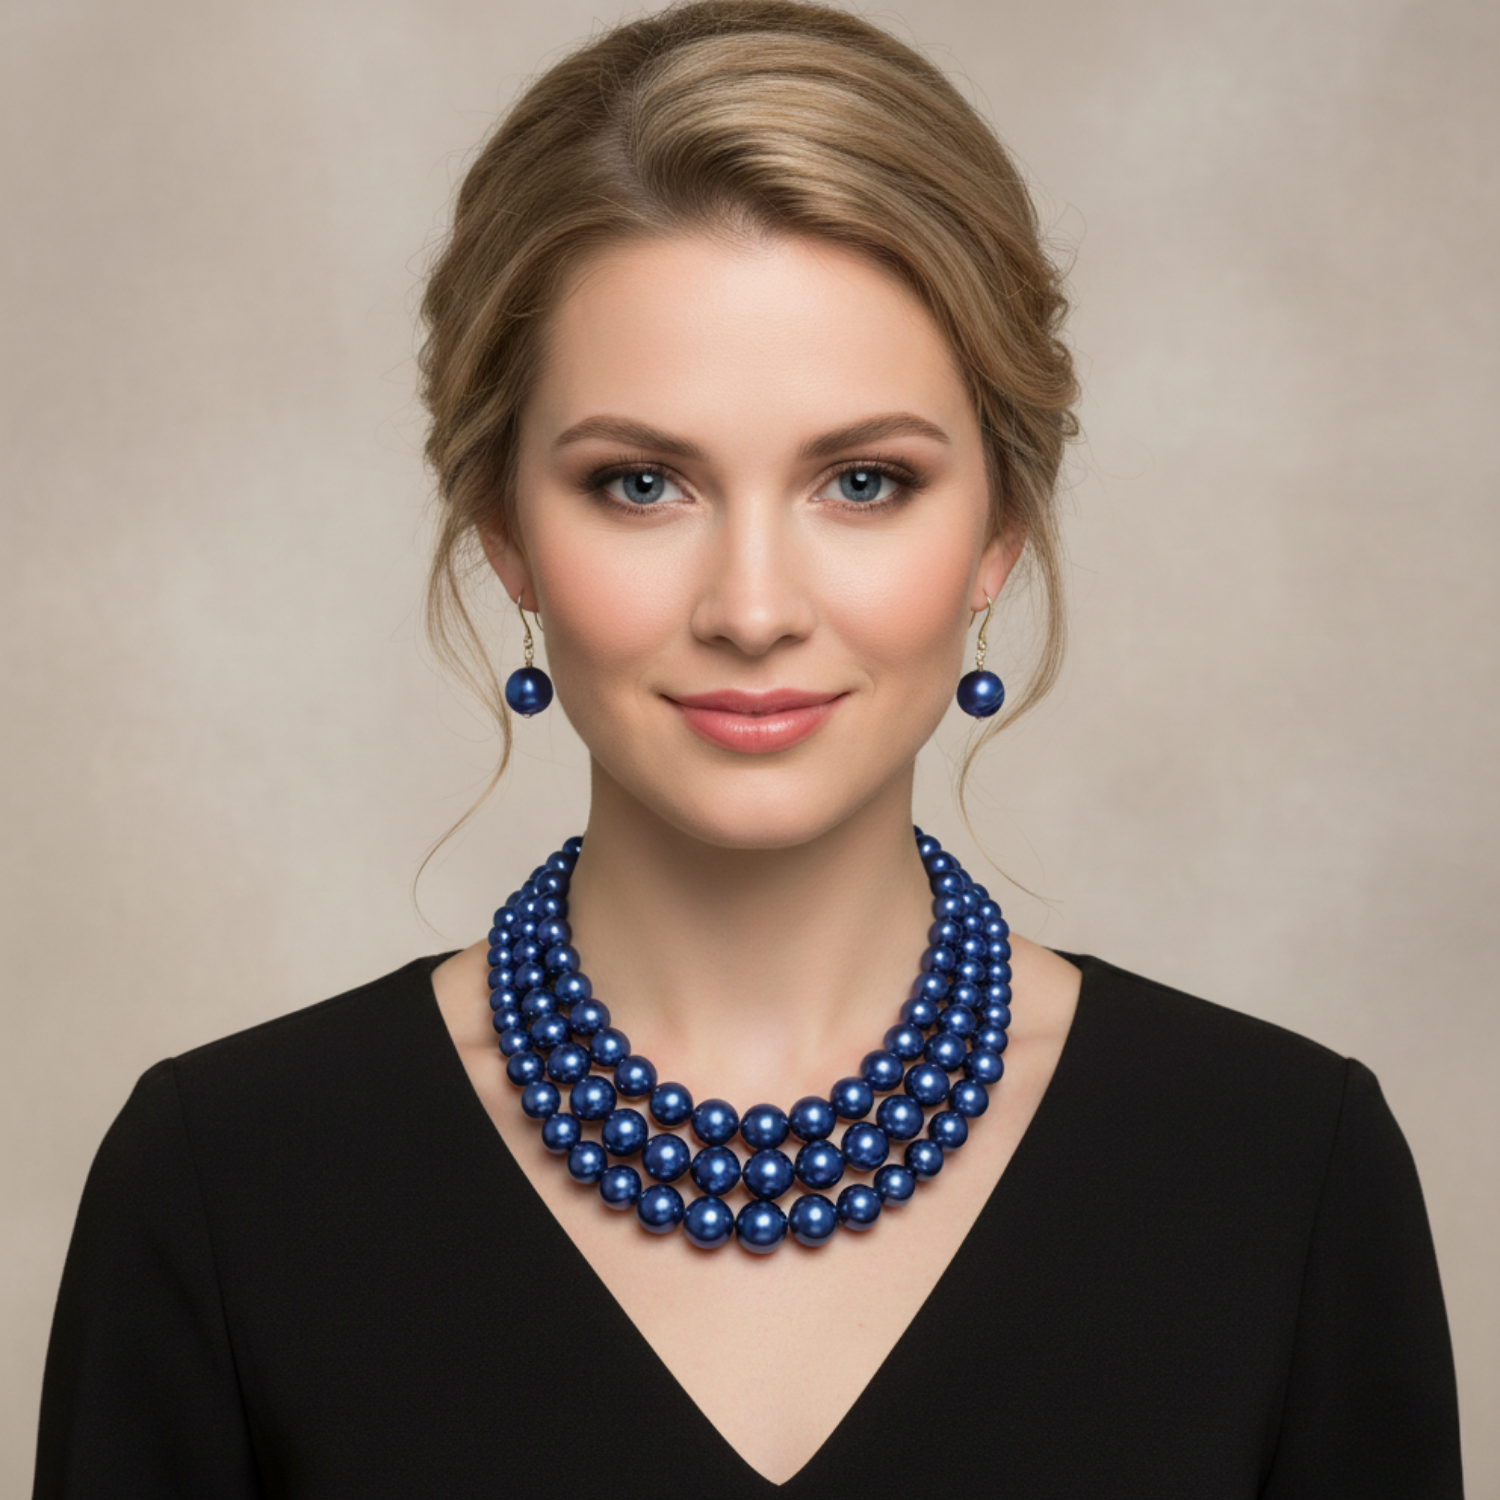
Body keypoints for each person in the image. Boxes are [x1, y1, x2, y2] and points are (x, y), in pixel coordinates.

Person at [33, 2, 1462, 1495]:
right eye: (643, 482)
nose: (754, 608)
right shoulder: (227, 1188)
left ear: (1000, 532)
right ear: (507, 531)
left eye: (863, 479)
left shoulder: (1282, 1178)